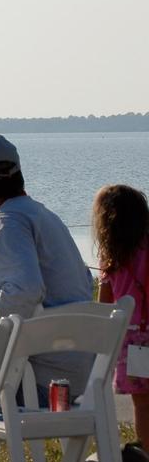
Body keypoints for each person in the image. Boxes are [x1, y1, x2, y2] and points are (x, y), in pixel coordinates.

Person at [0, 134, 94, 389]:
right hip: (79, 370)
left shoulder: (6, 221)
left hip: (39, 377)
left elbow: (25, 289)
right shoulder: (43, 214)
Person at [94, 184, 149, 445]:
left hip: (134, 339)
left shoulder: (113, 258)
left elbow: (104, 307)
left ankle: (147, 454)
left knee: (143, 404)